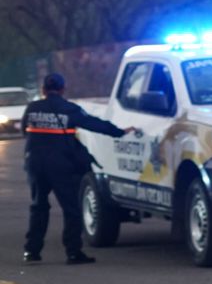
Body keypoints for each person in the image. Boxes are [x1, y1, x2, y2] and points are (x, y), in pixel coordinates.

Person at [22, 72, 135, 264]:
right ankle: (73, 252)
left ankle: (32, 251)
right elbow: (94, 124)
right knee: (71, 209)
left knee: (38, 206)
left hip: (35, 164)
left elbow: (24, 130)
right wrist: (119, 132)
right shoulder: (69, 109)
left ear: (43, 89)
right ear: (63, 89)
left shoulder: (32, 109)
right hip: (61, 166)